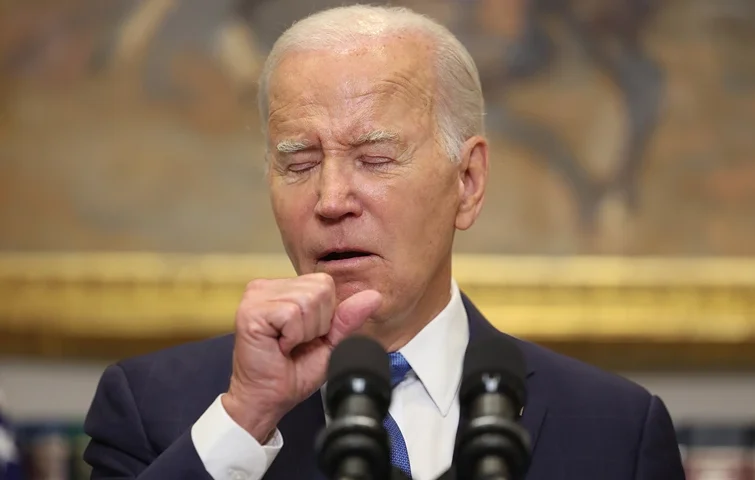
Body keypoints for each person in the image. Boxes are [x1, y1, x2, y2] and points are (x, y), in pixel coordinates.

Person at [82, 5, 685, 480]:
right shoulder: (154, 408)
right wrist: (246, 419)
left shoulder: (615, 430)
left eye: (374, 159)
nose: (331, 199)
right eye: (298, 162)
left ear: (468, 182)